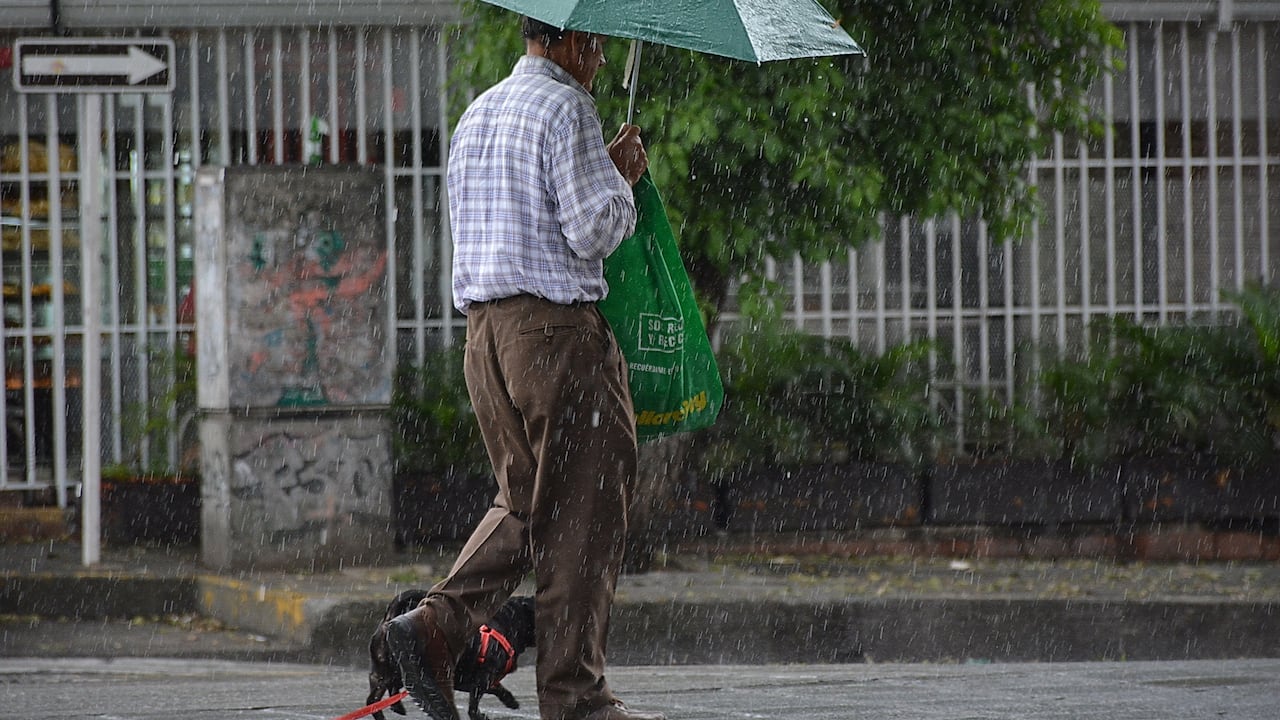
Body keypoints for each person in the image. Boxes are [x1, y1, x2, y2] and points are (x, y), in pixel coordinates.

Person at [386, 15, 663, 720]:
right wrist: (621, 177)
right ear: (569, 42)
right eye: (595, 47)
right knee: (584, 517)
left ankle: (432, 626)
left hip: (486, 338)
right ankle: (576, 699)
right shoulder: (567, 106)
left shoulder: (479, 111)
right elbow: (592, 229)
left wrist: (596, 169)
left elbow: (526, 217)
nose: (599, 62)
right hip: (557, 336)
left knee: (526, 503)